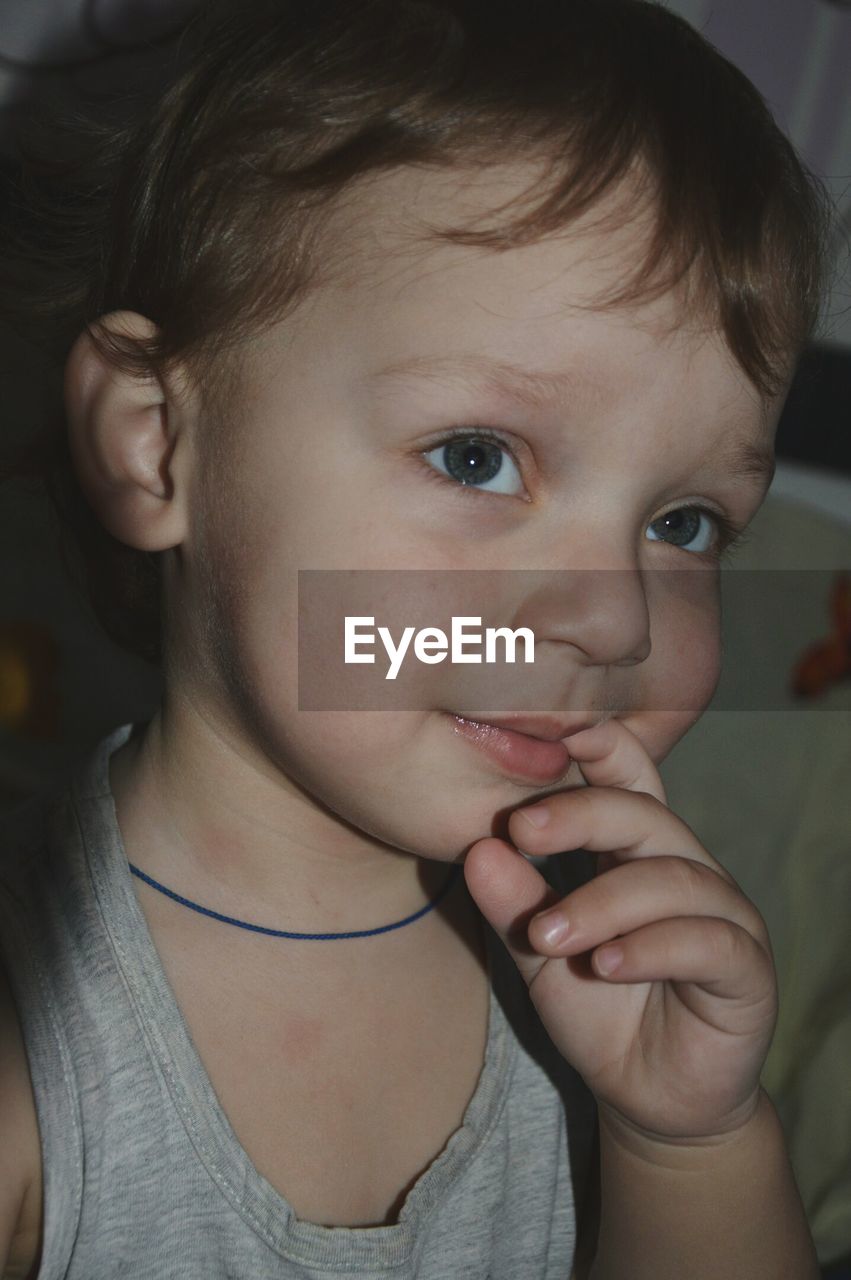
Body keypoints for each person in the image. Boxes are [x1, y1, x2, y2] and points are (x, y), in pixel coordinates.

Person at [0, 0, 832, 1275]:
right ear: (157, 443)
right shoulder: (35, 1050)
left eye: (683, 520)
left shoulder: (611, 990)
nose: (610, 617)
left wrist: (688, 1142)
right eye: (475, 456)